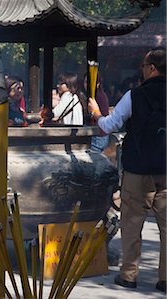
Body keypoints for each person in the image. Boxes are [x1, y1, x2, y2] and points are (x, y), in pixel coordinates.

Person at [88, 47, 166, 293]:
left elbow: (111, 125)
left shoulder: (135, 95)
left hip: (137, 171)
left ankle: (129, 275)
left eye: (144, 66)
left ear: (152, 68)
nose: (141, 71)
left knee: (132, 224)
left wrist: (97, 113)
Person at [84, 73, 110, 152]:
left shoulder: (97, 96)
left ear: (98, 84)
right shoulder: (100, 94)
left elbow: (93, 116)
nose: (86, 85)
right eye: (85, 82)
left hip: (98, 135)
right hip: (102, 134)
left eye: (89, 83)